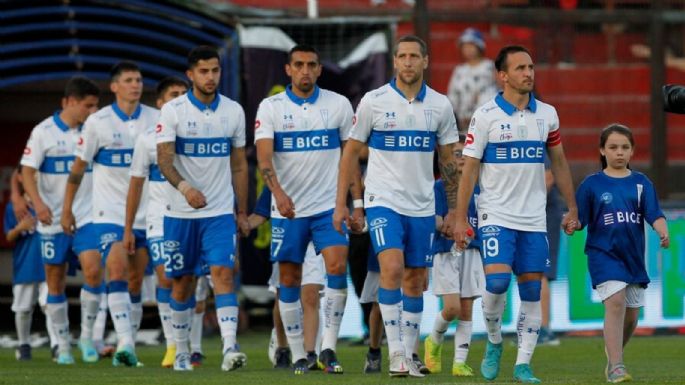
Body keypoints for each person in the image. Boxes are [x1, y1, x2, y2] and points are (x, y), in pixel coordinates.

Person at [452, 45, 579, 384]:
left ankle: (523, 363)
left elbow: (560, 162)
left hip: (534, 219)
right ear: (503, 76)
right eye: (521, 68)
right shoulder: (486, 116)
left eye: (531, 67)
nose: (528, 73)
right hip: (495, 214)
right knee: (495, 284)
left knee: (532, 292)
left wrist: (573, 206)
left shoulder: (547, 115)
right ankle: (495, 341)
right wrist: (461, 216)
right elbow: (470, 170)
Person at [335, 35, 460, 378]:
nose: (407, 62)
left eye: (413, 56)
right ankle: (397, 356)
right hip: (382, 201)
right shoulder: (373, 102)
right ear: (394, 62)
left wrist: (452, 210)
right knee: (391, 269)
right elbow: (350, 153)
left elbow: (449, 159)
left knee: (416, 279)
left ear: (425, 61)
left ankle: (408, 351)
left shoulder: (440, 105)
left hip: (421, 205)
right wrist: (345, 205)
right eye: (401, 56)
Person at [255, 44, 354, 375]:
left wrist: (354, 203)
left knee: (337, 266)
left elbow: (349, 156)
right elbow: (264, 158)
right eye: (299, 65)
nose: (305, 70)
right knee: (289, 279)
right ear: (288, 70)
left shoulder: (338, 105)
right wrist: (278, 194)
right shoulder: (271, 107)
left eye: (312, 64)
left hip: (328, 207)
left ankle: (328, 348)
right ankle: (298, 353)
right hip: (289, 210)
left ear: (319, 69)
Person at [156, 45, 249, 372]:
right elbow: (164, 160)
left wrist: (241, 211)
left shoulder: (234, 111)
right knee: (181, 284)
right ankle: (181, 350)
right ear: (191, 74)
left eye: (215, 70)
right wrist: (185, 188)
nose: (211, 77)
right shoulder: (173, 110)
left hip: (220, 213)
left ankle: (229, 348)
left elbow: (239, 165)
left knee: (223, 274)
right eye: (204, 71)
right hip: (180, 213)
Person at [63, 63, 159, 367]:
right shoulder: (98, 122)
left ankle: (124, 342)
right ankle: (125, 344)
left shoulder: (156, 119)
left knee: (134, 281)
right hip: (108, 212)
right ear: (115, 87)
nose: (136, 85)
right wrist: (66, 209)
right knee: (114, 270)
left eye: (139, 80)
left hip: (147, 212)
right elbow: (78, 170)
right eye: (129, 80)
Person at [575, 123, 669, 383]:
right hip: (603, 254)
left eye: (625, 147)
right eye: (613, 147)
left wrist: (662, 231)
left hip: (633, 258)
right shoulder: (591, 185)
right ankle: (617, 366)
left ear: (632, 152)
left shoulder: (641, 183)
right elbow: (579, 219)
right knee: (615, 303)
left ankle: (613, 353)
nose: (619, 152)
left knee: (631, 316)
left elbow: (654, 215)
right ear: (602, 151)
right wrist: (570, 223)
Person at [20, 77, 102, 365]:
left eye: (96, 106)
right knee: (54, 282)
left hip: (88, 216)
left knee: (94, 271)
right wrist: (38, 204)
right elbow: (27, 172)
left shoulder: (94, 130)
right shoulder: (42, 132)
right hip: (52, 219)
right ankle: (63, 343)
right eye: (88, 105)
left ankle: (88, 337)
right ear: (68, 102)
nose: (93, 111)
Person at [124, 76, 189, 368]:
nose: (180, 98)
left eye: (183, 94)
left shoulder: (198, 133)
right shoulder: (147, 139)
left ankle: (192, 345)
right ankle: (173, 345)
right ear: (160, 103)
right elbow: (136, 185)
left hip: (193, 217)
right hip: (159, 219)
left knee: (190, 285)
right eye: (174, 95)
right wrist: (128, 228)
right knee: (166, 277)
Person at [424, 137, 484, 376]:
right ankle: (433, 340)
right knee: (452, 308)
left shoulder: (480, 188)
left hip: (472, 251)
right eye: (456, 154)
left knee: (467, 308)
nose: (461, 159)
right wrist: (444, 226)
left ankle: (459, 362)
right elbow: (434, 218)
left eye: (465, 154)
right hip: (446, 252)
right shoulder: (440, 187)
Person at [248, 185, 325, 370]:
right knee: (282, 293)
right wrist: (241, 224)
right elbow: (260, 213)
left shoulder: (322, 172)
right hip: (286, 235)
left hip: (313, 240)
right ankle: (282, 347)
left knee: (311, 295)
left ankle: (309, 354)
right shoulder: (277, 181)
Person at [5, 168, 54, 361]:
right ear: (20, 177)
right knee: (23, 309)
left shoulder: (50, 202)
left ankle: (57, 345)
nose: (33, 177)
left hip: (48, 262)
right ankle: (23, 344)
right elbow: (8, 236)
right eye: (28, 174)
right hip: (25, 263)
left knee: (50, 304)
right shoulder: (15, 207)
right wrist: (20, 227)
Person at [446, 28, 498, 131]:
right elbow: (452, 96)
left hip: (487, 123)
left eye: (471, 45)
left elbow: (496, 93)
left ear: (479, 46)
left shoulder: (491, 67)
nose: (468, 49)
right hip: (462, 124)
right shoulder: (459, 70)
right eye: (465, 46)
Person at [539, 158, 564, 345]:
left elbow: (548, 178)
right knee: (529, 272)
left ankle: (543, 328)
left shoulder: (539, 146)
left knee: (540, 271)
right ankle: (532, 326)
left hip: (543, 214)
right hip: (529, 213)